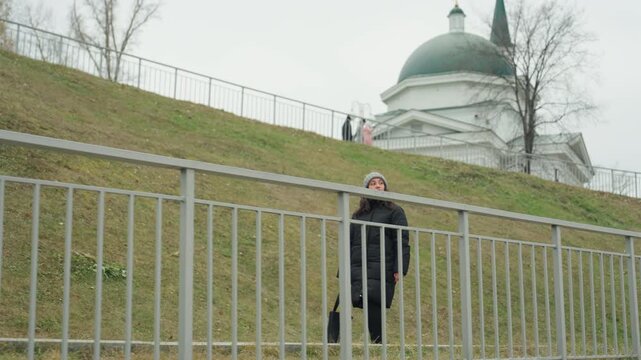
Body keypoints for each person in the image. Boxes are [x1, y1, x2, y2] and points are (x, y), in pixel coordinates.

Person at [350, 171, 410, 343]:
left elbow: (402, 241)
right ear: (366, 188)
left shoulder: (395, 211)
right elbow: (349, 241)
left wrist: (399, 268)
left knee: (374, 302)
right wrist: (344, 270)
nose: (377, 186)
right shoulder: (358, 215)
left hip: (382, 266)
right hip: (358, 266)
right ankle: (345, 343)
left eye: (380, 183)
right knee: (356, 300)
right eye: (373, 183)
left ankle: (378, 344)